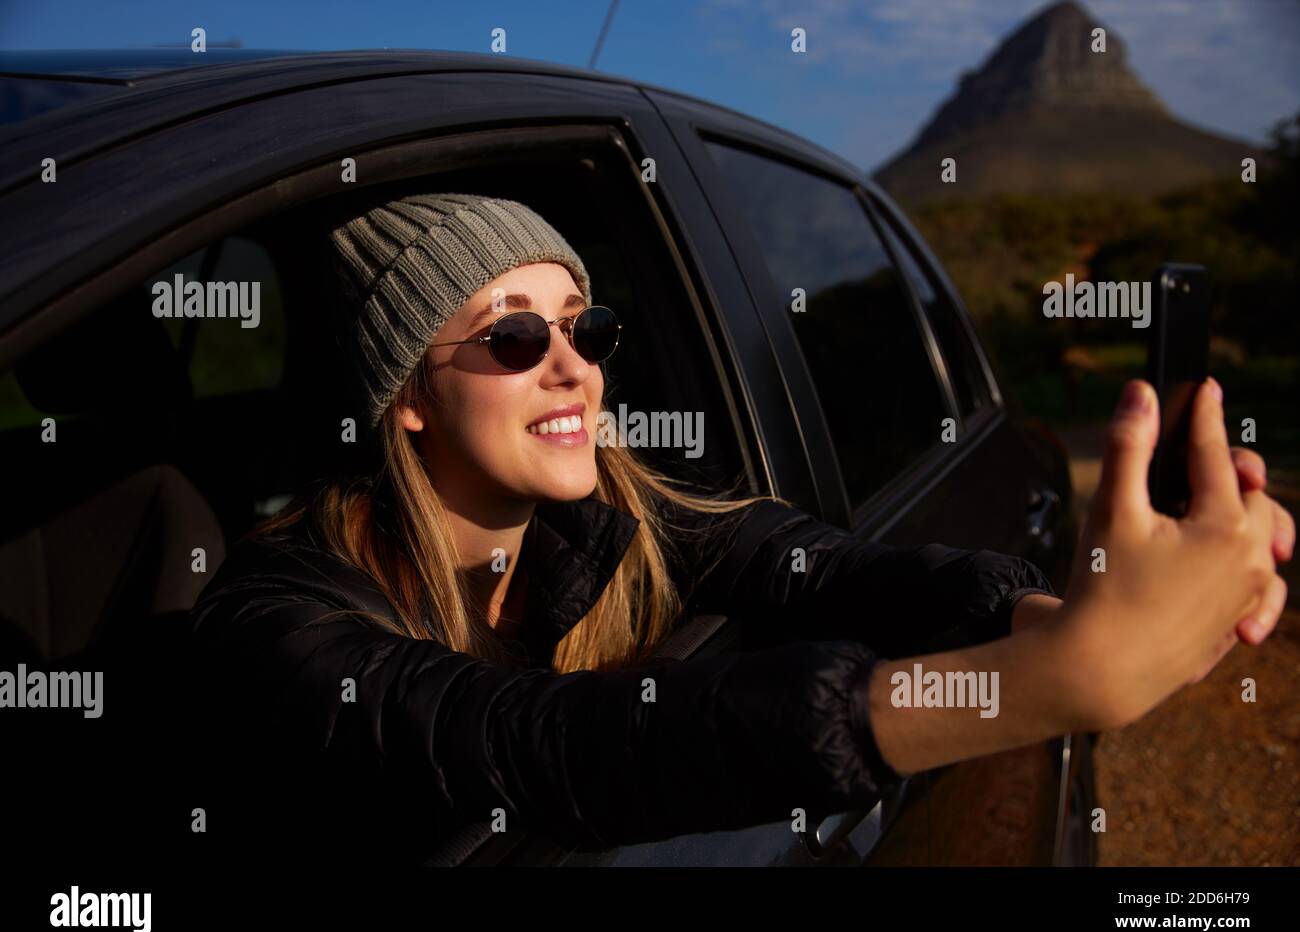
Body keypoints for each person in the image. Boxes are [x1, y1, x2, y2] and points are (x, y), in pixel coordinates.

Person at [187, 192, 1293, 865]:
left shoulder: (620, 516)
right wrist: (1026, 686)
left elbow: (825, 568)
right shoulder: (277, 620)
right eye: (513, 338)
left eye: (587, 324)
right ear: (407, 399)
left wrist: (1053, 614)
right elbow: (544, 742)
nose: (575, 365)